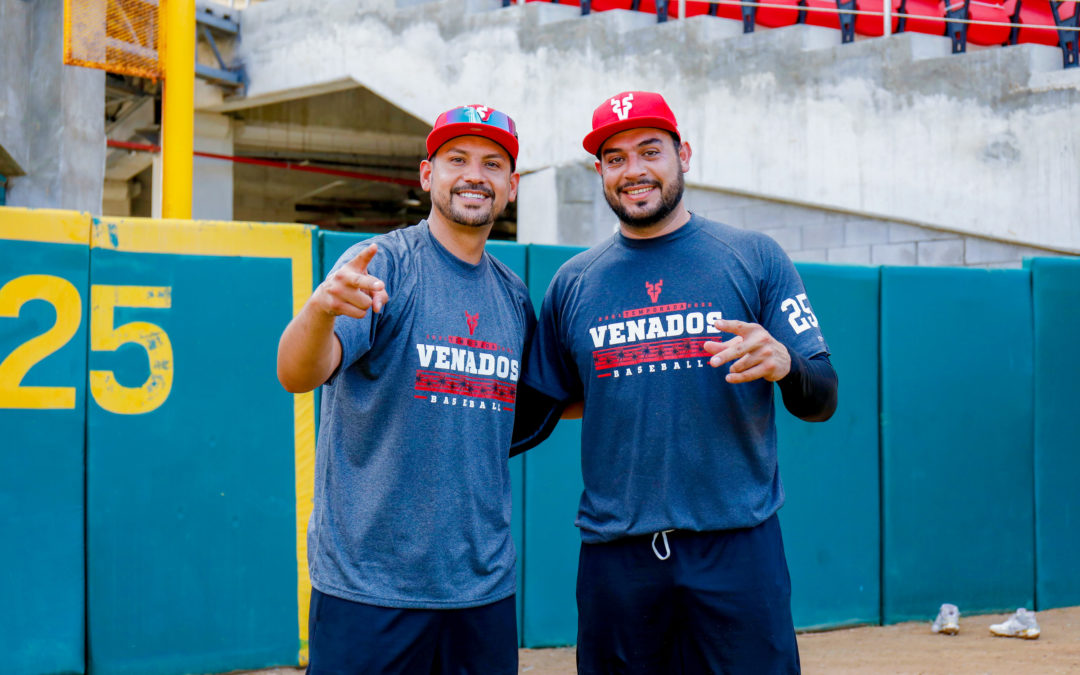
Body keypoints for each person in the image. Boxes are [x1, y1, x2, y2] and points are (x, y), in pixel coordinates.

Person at [513, 91, 838, 674]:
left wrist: (786, 365)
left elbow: (823, 396)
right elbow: (536, 410)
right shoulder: (573, 283)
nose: (633, 170)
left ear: (683, 154)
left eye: (649, 151)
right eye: (615, 158)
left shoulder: (753, 257)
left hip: (736, 547)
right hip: (619, 559)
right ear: (601, 173)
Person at [277, 104, 534, 675]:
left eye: (493, 164)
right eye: (457, 159)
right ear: (427, 174)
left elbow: (536, 410)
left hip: (481, 590)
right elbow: (297, 374)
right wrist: (319, 309)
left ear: (511, 187)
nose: (475, 174)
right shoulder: (381, 264)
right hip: (370, 587)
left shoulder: (514, 297)